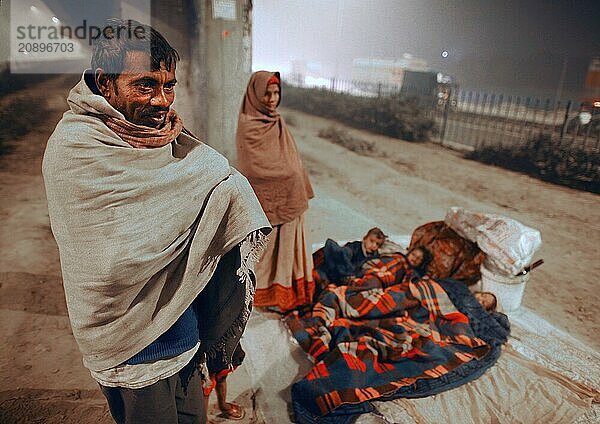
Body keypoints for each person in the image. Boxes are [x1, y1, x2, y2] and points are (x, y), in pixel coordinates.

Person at [42, 18, 270, 424]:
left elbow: (220, 183)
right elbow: (108, 266)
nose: (162, 101)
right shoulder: (74, 149)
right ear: (104, 81)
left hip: (184, 330)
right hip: (129, 346)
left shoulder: (172, 140)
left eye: (169, 85)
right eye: (145, 84)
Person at [236, 71, 315, 312]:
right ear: (255, 95)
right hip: (268, 201)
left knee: (290, 250)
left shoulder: (276, 121)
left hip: (290, 198)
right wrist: (287, 175)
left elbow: (292, 159)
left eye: (276, 93)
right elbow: (252, 168)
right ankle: (263, 293)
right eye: (267, 93)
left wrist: (293, 176)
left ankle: (287, 293)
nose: (272, 99)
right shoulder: (249, 124)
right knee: (267, 252)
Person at [314, 227, 386, 290]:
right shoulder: (355, 246)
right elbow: (344, 256)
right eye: (371, 241)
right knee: (342, 253)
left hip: (348, 276)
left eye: (377, 244)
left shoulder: (374, 255)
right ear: (364, 239)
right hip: (337, 269)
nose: (373, 245)